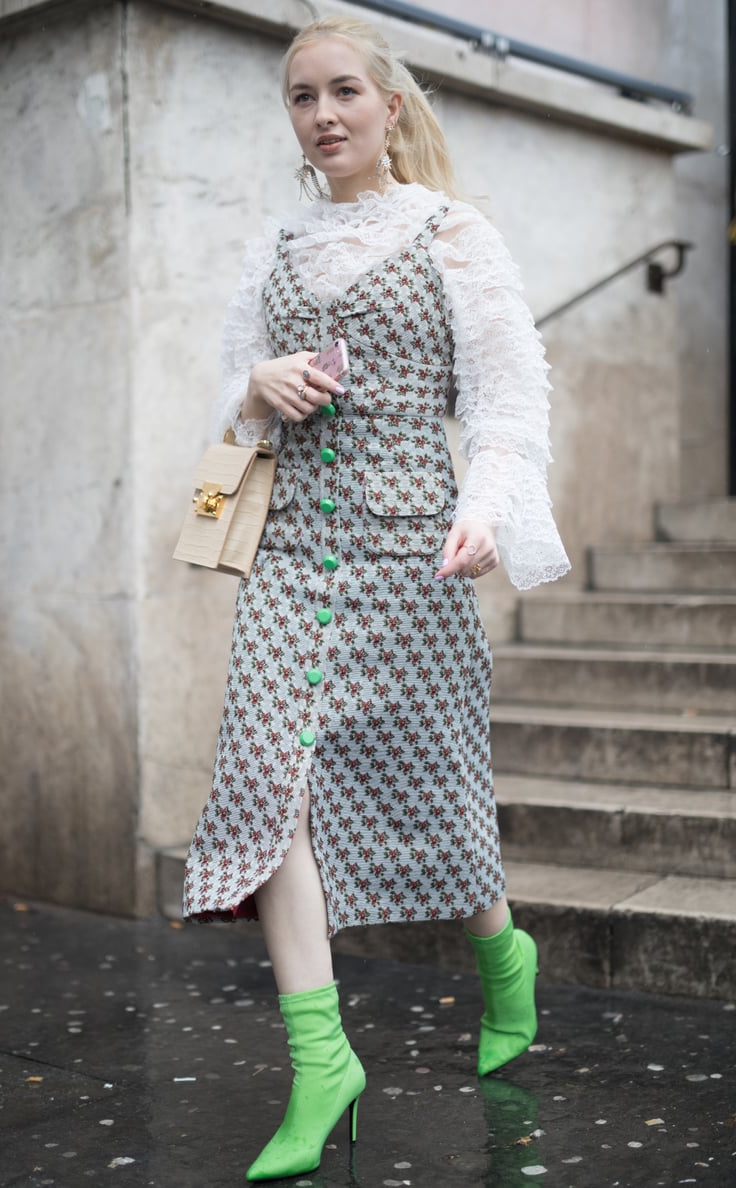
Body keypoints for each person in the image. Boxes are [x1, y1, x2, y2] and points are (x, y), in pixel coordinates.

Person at [183, 13, 570, 1182]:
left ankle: (505, 959)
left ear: (388, 105)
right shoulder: (278, 246)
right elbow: (224, 411)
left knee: (441, 792)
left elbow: (508, 402)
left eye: (343, 92)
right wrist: (254, 384)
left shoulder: (455, 236)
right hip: (293, 557)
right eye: (303, 99)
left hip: (416, 554)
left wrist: (488, 508)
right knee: (267, 787)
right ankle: (322, 1064)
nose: (324, 116)